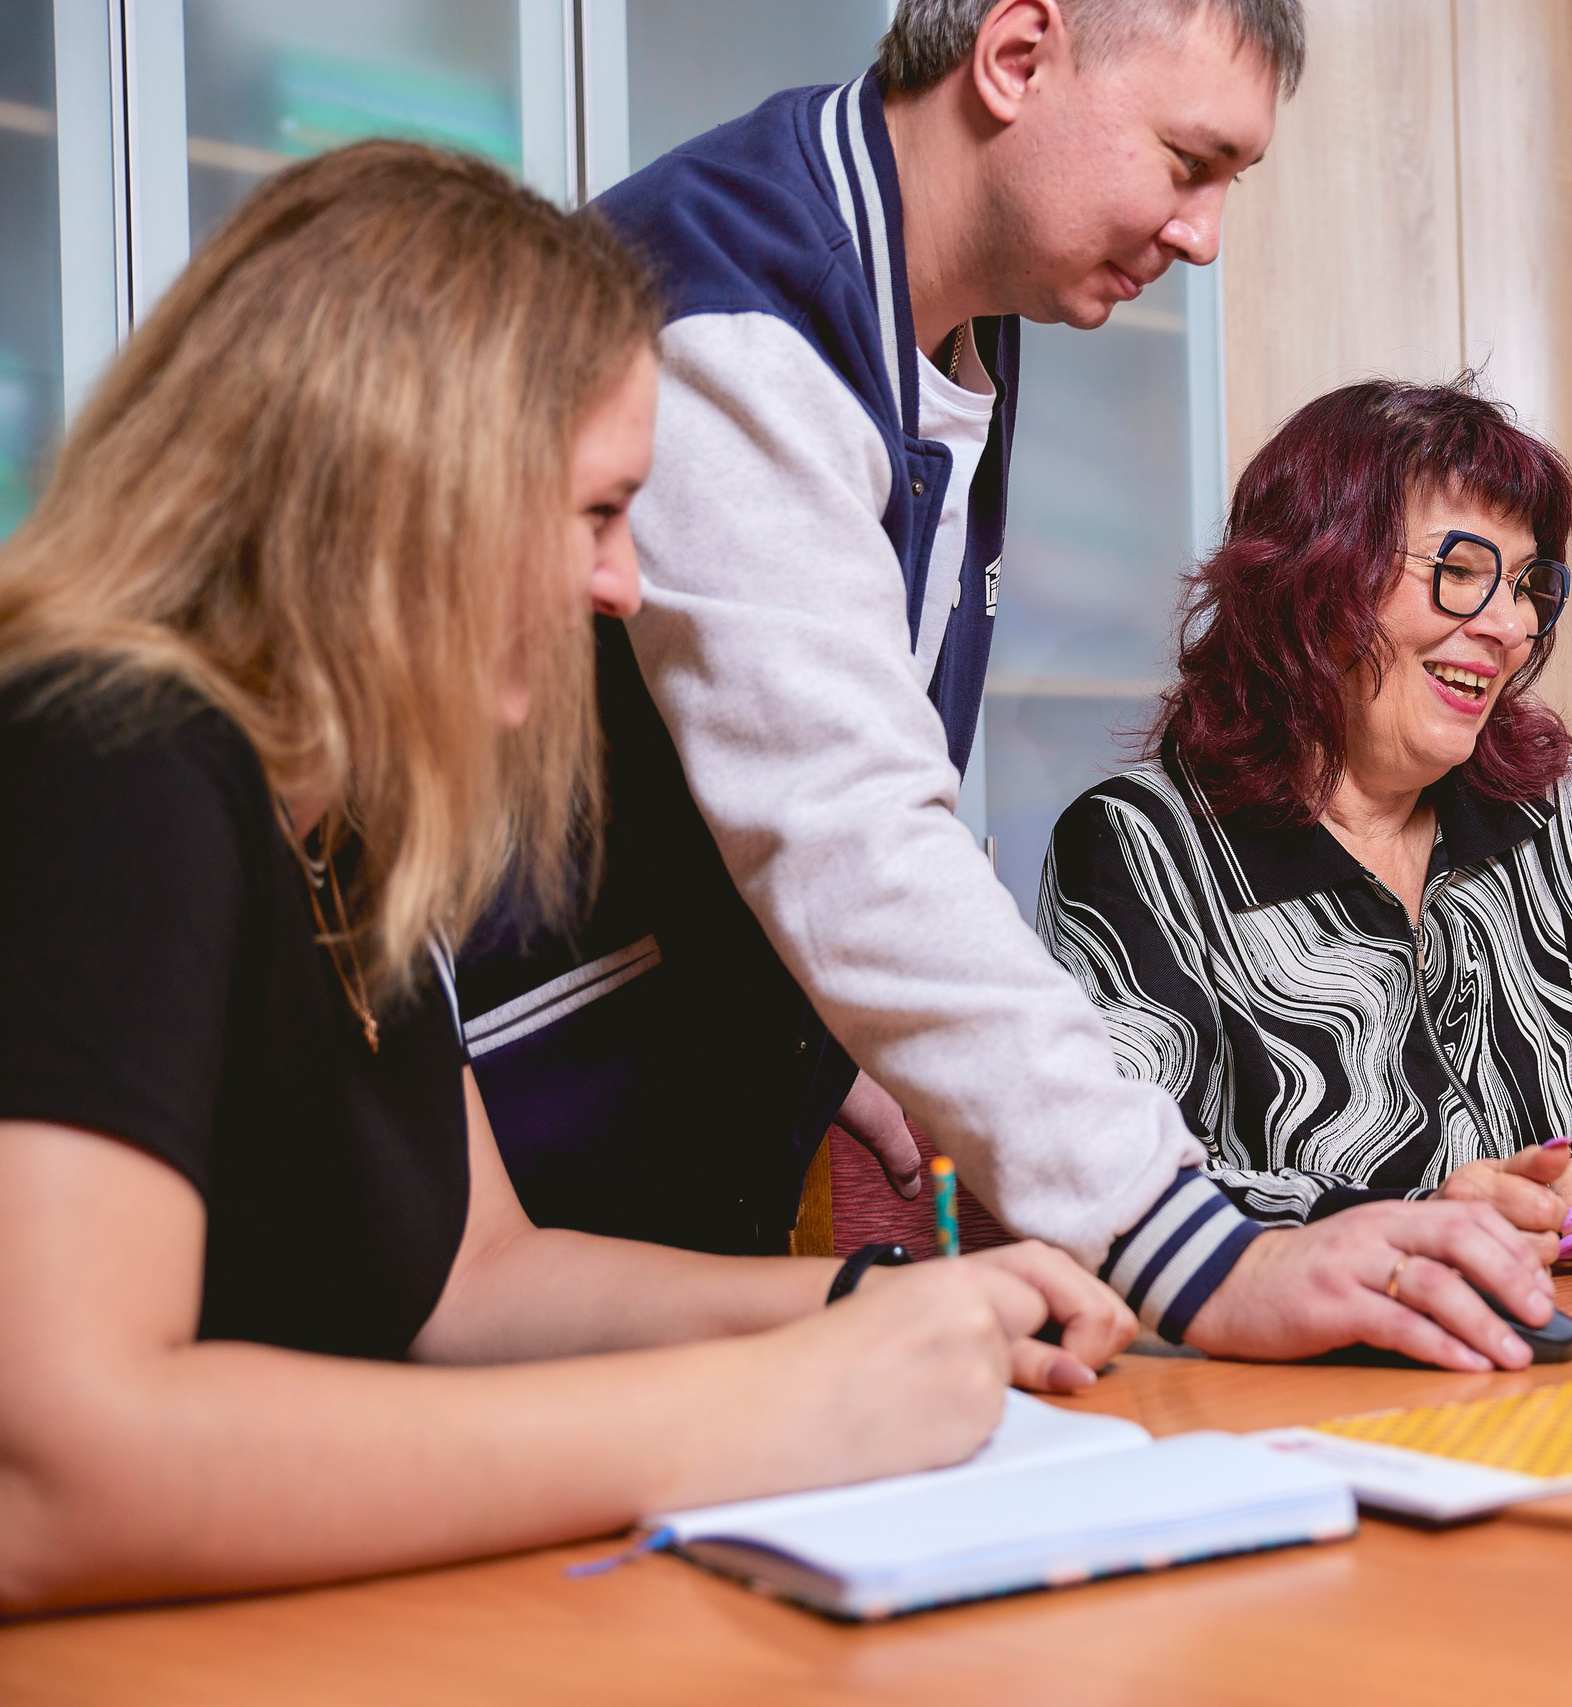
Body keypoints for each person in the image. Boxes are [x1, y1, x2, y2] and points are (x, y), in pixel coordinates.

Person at [0, 143, 1133, 1617]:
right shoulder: (106, 753)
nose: (622, 587)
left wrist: (871, 1301)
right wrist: (774, 1408)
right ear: (407, 494)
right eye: (599, 513)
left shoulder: (344, 822)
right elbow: (56, 1471)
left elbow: (473, 1280)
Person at [457, 0, 1563, 1372]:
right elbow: (850, 828)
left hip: (661, 1203)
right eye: (1188, 163)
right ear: (1017, 55)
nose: (1204, 235)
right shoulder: (735, 317)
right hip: (524, 1191)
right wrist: (1203, 1257)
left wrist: (841, 1036)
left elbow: (780, 738)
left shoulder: (964, 314)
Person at [1038, 380, 1572, 1268]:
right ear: (1314, 581)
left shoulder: (1556, 815)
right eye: (1461, 572)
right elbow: (1123, 1191)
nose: (1510, 625)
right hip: (1322, 1348)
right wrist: (1419, 1224)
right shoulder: (1141, 846)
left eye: (1527, 585)